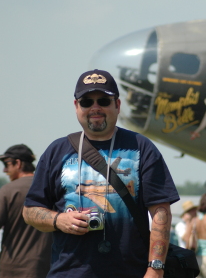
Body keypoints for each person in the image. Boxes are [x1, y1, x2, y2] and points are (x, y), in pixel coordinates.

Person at [22, 69, 180, 278]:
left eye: (104, 101)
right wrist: (58, 220)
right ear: (76, 106)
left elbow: (161, 210)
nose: (95, 108)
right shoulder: (56, 151)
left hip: (130, 272)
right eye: (87, 102)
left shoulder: (141, 147)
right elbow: (30, 211)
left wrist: (155, 268)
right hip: (68, 273)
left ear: (118, 105)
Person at [0, 144, 53, 278]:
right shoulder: (49, 188)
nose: (4, 170)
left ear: (18, 163)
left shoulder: (8, 190)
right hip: (45, 265)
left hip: (14, 268)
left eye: (6, 164)